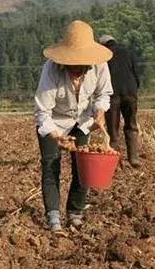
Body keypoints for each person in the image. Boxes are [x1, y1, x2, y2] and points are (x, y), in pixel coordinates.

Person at [34, 20, 113, 232]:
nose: (78, 69)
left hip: (83, 120)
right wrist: (55, 136)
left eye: (82, 65)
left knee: (84, 167)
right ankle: (53, 217)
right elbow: (42, 111)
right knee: (51, 166)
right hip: (54, 121)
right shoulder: (50, 71)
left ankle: (75, 212)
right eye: (73, 65)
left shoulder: (99, 65)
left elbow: (103, 94)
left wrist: (99, 110)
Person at [99, 35, 142, 168]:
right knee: (131, 124)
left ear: (103, 45)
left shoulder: (103, 55)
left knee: (113, 129)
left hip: (112, 94)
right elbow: (137, 73)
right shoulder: (128, 52)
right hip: (130, 93)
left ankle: (115, 161)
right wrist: (134, 89)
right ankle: (133, 157)